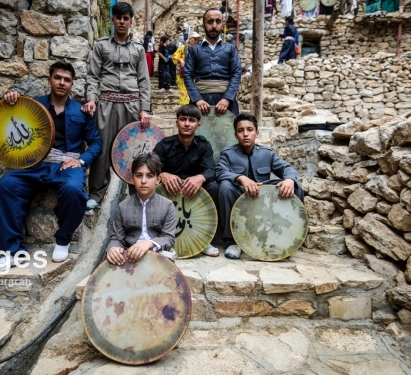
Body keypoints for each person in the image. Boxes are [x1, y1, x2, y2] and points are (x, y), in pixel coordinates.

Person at [0, 62, 102, 274]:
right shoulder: (33, 104)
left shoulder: (81, 111)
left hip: (67, 165)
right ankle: (10, 252)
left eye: (67, 80)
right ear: (49, 79)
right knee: (7, 184)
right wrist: (12, 98)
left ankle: (63, 240)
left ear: (72, 84)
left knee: (74, 189)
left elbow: (96, 142)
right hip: (36, 164)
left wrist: (81, 161)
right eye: (58, 77)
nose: (62, 83)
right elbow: (12, 118)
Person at [82, 2, 151, 210]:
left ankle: (137, 195)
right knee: (102, 149)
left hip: (132, 105)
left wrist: (144, 108)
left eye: (125, 18)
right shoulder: (101, 46)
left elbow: (144, 81)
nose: (122, 21)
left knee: (133, 151)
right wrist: (91, 99)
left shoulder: (138, 49)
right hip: (106, 104)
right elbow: (93, 76)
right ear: (112, 19)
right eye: (118, 17)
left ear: (131, 21)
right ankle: (96, 195)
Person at [216, 113, 304, 259]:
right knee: (225, 187)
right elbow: (220, 172)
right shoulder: (228, 153)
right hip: (241, 194)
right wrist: (241, 178)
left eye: (249, 129)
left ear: (257, 133)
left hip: (263, 196)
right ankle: (233, 241)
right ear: (235, 135)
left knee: (295, 186)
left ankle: (288, 236)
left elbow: (287, 168)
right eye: (240, 130)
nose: (245, 134)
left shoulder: (267, 153)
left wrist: (289, 179)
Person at [153, 105, 220, 257]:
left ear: (198, 125)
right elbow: (150, 167)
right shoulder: (164, 145)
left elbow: (211, 170)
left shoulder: (204, 145)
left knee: (214, 187)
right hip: (169, 191)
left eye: (192, 120)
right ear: (176, 122)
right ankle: (157, 238)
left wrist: (200, 178)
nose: (187, 124)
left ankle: (204, 239)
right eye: (183, 119)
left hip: (194, 192)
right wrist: (162, 174)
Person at [106, 153, 176, 265]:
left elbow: (168, 238)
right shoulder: (122, 206)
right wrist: (113, 249)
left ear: (158, 179)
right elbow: (116, 238)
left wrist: (148, 243)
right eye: (139, 175)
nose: (143, 181)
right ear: (132, 178)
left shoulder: (168, 205)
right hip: (130, 255)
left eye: (149, 176)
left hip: (158, 253)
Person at [183, 8, 242, 116]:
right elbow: (187, 75)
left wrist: (227, 98)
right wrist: (197, 99)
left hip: (227, 103)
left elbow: (236, 73)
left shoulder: (231, 49)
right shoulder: (194, 50)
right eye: (210, 22)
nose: (214, 26)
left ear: (222, 25)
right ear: (203, 26)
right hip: (200, 103)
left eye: (218, 21)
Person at [171, 31, 201, 105]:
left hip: (194, 75)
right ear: (190, 39)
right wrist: (180, 60)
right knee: (184, 93)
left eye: (197, 40)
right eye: (195, 39)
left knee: (193, 93)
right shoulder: (183, 47)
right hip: (183, 75)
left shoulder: (198, 49)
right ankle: (184, 108)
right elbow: (174, 57)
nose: (196, 41)